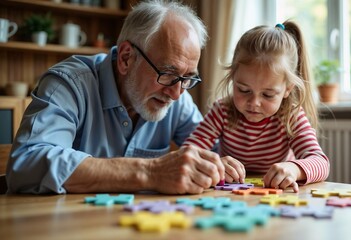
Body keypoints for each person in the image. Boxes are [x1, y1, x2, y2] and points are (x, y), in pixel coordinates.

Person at [6, 0, 225, 194]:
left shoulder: (176, 95)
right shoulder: (70, 84)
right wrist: (151, 172)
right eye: (167, 74)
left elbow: (213, 151)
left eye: (187, 78)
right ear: (126, 58)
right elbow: (27, 163)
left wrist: (221, 163)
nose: (177, 94)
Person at [183, 22, 330, 193]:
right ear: (232, 78)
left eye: (267, 95)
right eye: (244, 90)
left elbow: (321, 163)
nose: (254, 103)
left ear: (287, 90)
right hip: (230, 197)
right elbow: (188, 154)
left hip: (275, 197)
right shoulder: (221, 111)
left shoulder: (291, 115)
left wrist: (293, 169)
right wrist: (216, 164)